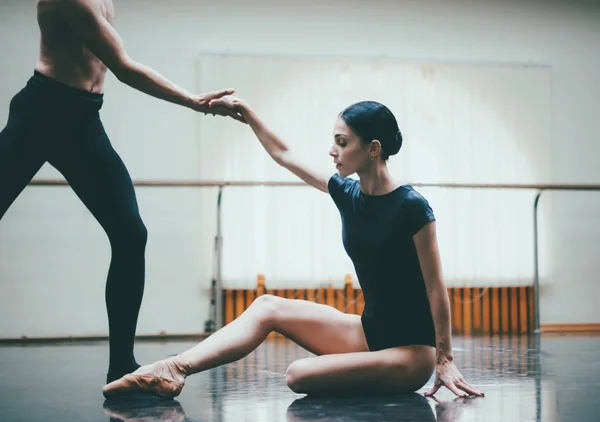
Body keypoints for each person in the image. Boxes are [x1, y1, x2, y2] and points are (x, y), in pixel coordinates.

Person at [102, 97, 484, 399]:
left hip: (411, 354)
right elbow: (284, 155)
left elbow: (436, 286)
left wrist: (443, 358)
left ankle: (173, 372)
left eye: (341, 142)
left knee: (298, 374)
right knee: (268, 306)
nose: (332, 151)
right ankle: (173, 370)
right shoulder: (346, 192)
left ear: (373, 148)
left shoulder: (411, 206)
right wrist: (247, 114)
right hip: (370, 333)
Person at [0, 0, 243, 384]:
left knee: (131, 234)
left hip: (81, 118)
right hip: (41, 111)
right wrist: (195, 102)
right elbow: (124, 67)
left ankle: (121, 368)